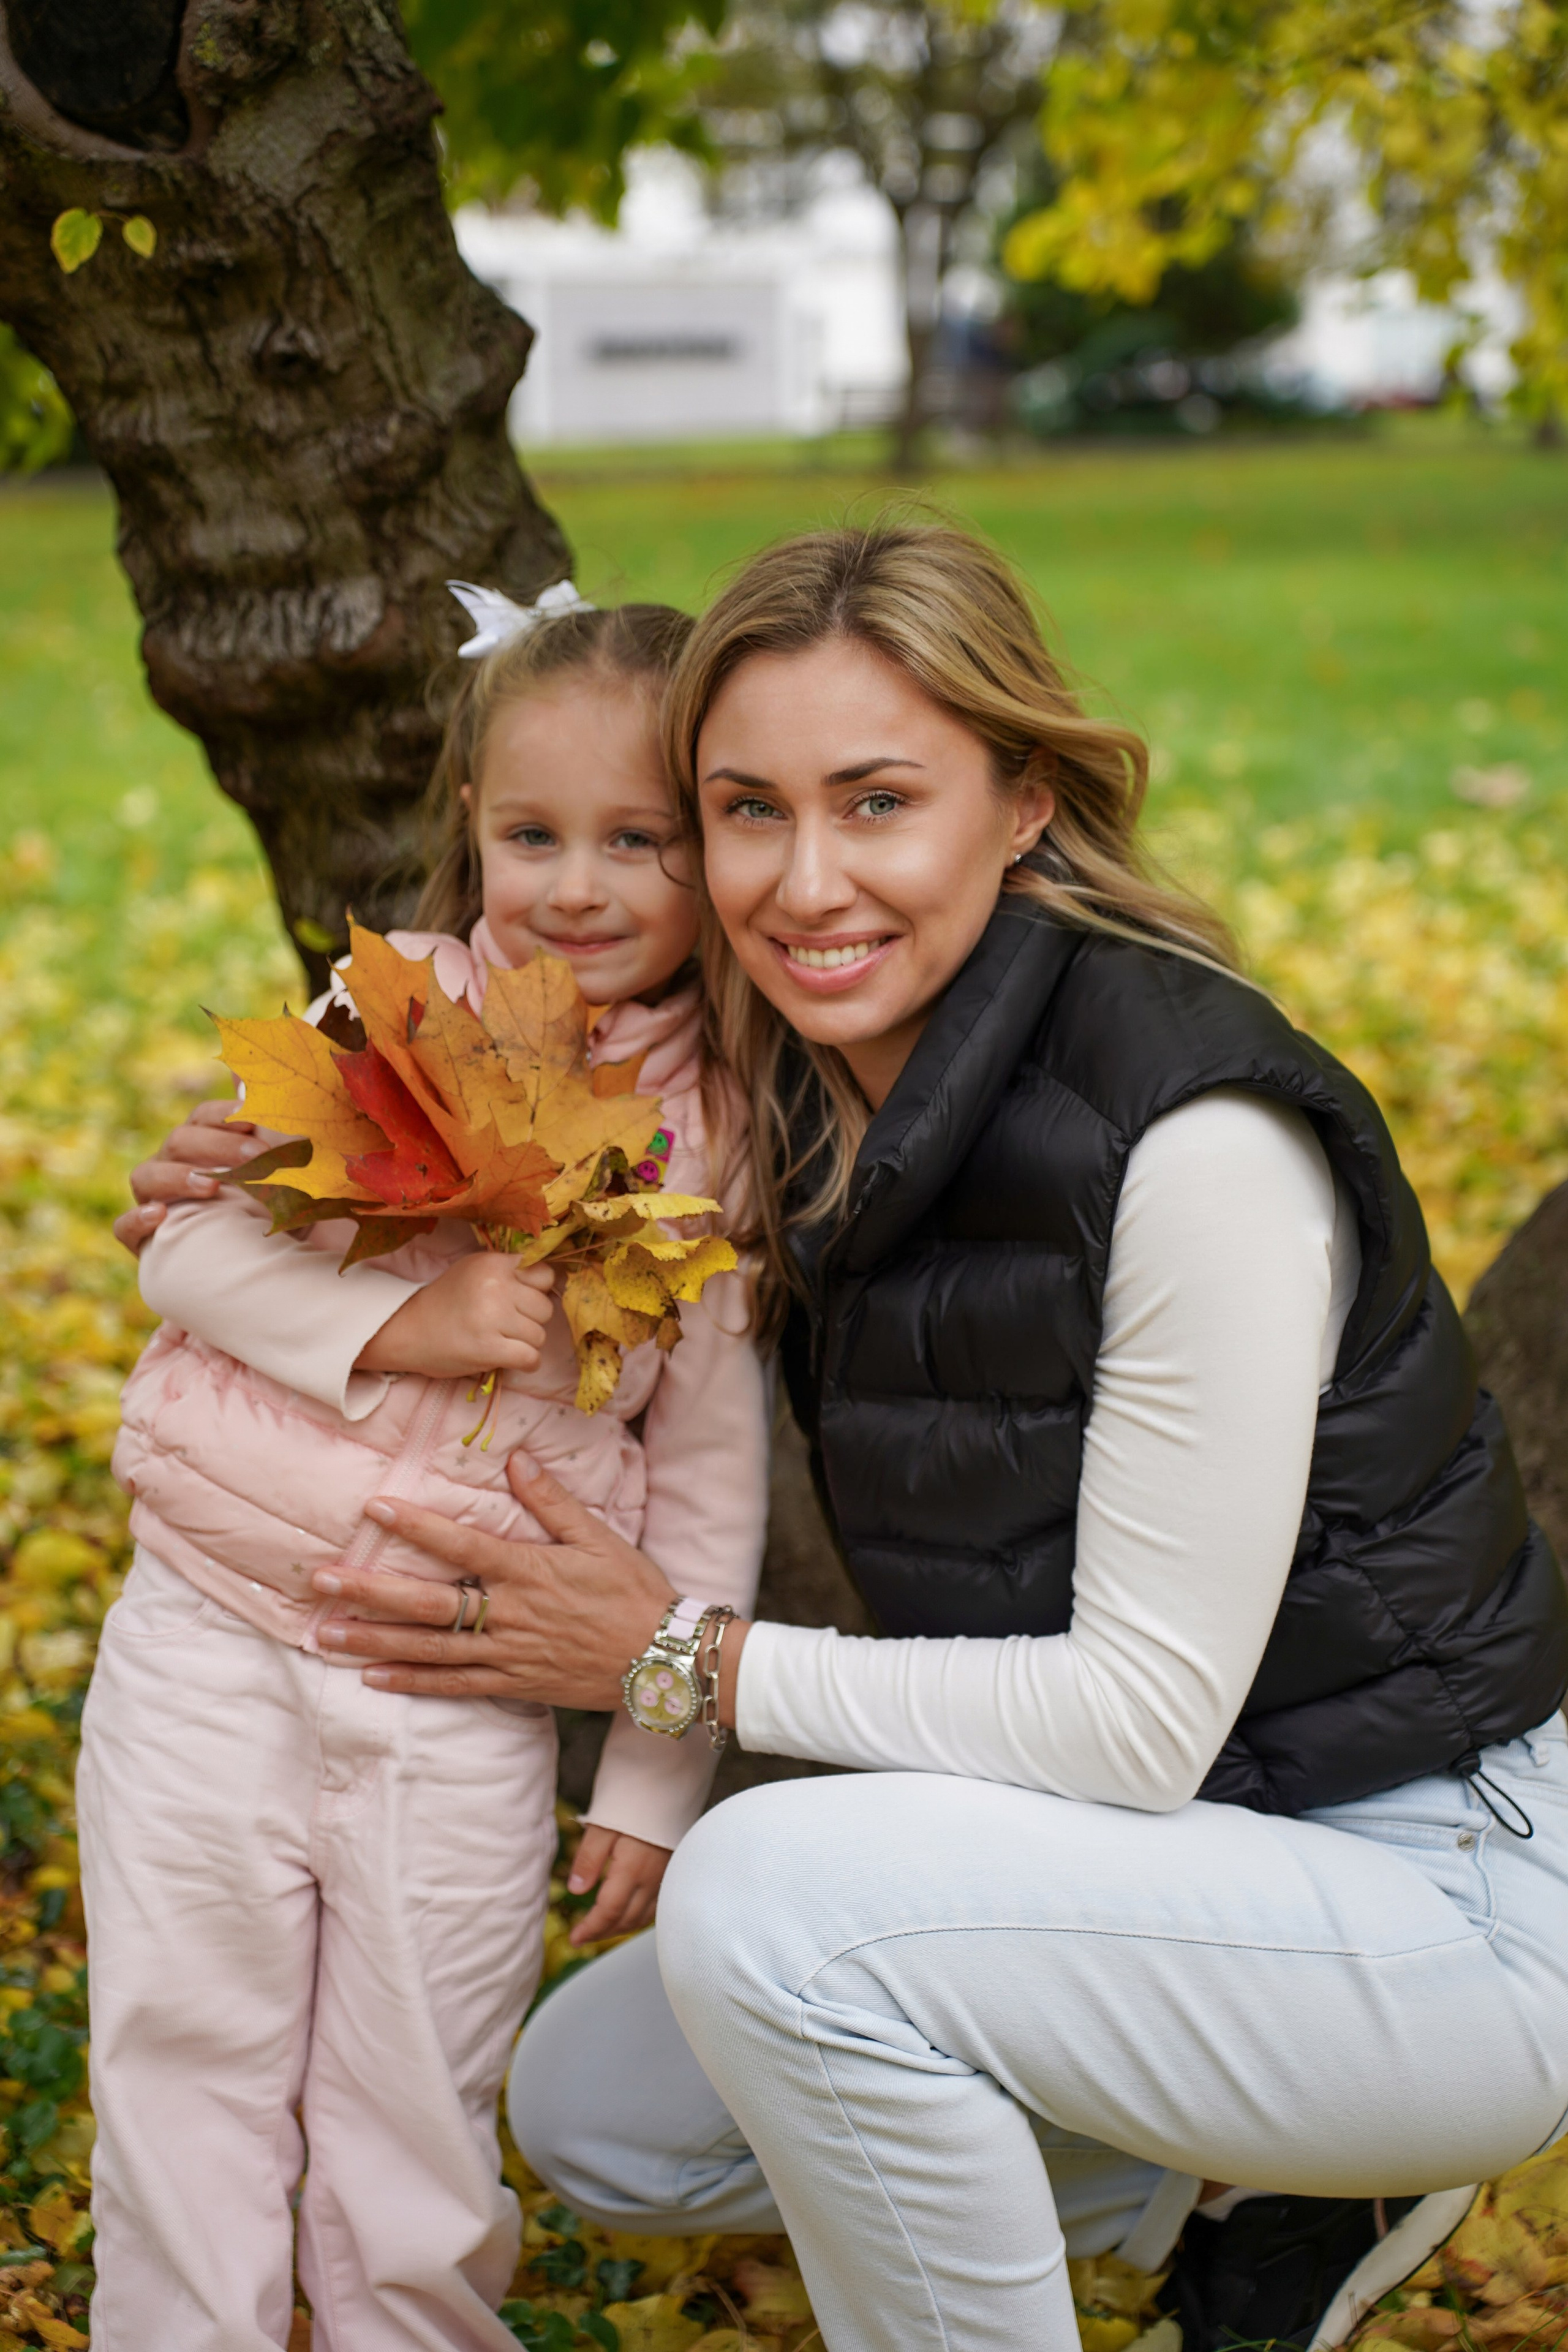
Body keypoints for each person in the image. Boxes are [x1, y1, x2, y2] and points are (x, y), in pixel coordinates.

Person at [123, 524, 1568, 2352]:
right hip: (1176, 1873)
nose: (806, 882)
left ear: (1024, 801)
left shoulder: (1195, 1137)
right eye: (742, 811)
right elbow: (506, 1132)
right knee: (602, 2111)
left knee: (773, 1899)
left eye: (878, 802)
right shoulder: (787, 1096)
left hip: (1439, 1893)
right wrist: (274, 1173)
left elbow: (1135, 1721)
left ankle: (1329, 2128)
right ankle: (1256, 2173)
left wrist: (671, 1665)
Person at [89, 586, 767, 2352]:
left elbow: (707, 1481)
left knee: (413, 2123)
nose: (581, 886)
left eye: (642, 840)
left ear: (715, 849)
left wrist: (647, 1780)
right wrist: (395, 1328)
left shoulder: (724, 1140)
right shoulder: (375, 1023)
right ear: (468, 821)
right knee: (185, 2067)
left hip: (462, 1691)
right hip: (213, 1636)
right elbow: (184, 1257)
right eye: (535, 833)